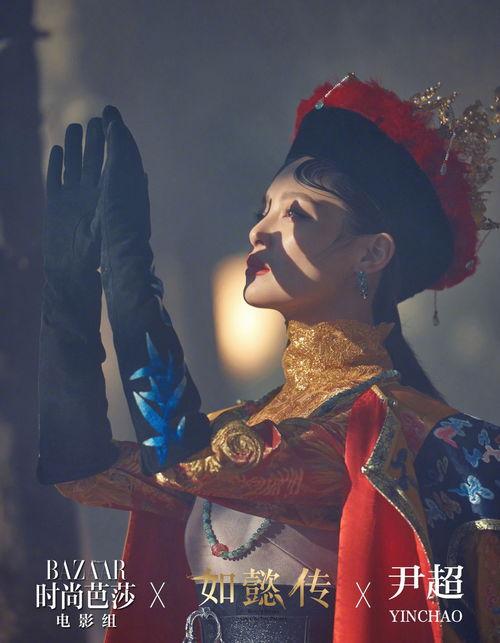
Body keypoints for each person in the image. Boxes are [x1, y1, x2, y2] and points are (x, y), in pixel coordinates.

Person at [36, 74, 500, 643]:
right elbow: (81, 470)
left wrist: (131, 272)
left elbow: (190, 461)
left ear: (373, 253)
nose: (258, 230)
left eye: (296, 213)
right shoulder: (250, 424)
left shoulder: (384, 432)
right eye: (264, 209)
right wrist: (70, 289)